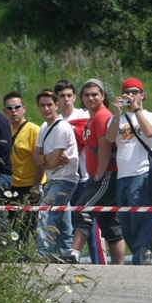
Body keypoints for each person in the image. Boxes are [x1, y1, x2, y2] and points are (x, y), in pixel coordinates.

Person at [67, 79, 126, 264]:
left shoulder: (102, 116)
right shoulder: (93, 118)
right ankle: (119, 265)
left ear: (102, 96)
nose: (91, 98)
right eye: (87, 95)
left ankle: (74, 253)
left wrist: (99, 174)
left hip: (106, 174)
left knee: (84, 209)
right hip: (100, 174)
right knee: (109, 223)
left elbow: (105, 146)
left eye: (95, 94)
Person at [106, 77, 152, 265]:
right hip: (123, 176)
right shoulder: (118, 118)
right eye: (127, 92)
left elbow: (150, 133)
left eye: (135, 92)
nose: (131, 95)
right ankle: (139, 254)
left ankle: (142, 256)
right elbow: (110, 137)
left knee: (141, 219)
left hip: (142, 172)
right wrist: (116, 113)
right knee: (126, 222)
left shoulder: (151, 116)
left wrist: (137, 110)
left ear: (143, 95)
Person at [54, 79, 105, 264]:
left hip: (86, 177)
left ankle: (99, 262)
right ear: (57, 100)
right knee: (67, 224)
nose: (66, 100)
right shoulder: (56, 121)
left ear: (75, 97)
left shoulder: (85, 116)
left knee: (89, 222)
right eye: (62, 96)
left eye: (69, 96)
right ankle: (69, 260)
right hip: (66, 178)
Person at [32, 89, 78, 260]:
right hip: (52, 179)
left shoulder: (62, 127)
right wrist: (46, 159)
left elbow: (51, 161)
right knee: (63, 219)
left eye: (49, 105)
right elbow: (36, 158)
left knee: (46, 213)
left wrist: (44, 160)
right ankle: (65, 252)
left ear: (56, 105)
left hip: (64, 179)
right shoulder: (44, 127)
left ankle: (44, 253)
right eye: (42, 105)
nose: (46, 109)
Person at [2, 91, 44, 242]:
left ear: (24, 109)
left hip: (30, 185)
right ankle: (19, 259)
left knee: (30, 226)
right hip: (11, 186)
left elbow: (40, 161)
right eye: (9, 108)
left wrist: (36, 186)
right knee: (15, 227)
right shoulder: (5, 129)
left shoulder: (34, 130)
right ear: (4, 111)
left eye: (17, 107)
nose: (13, 111)